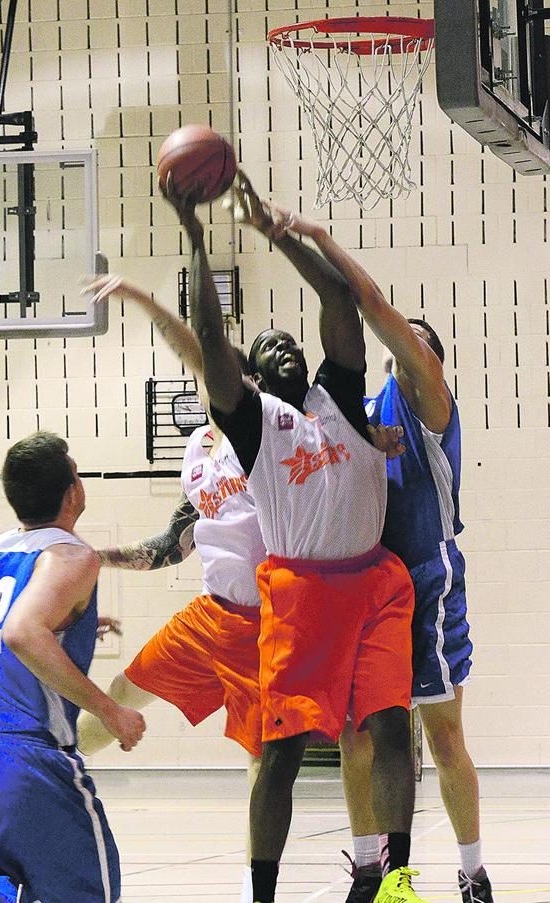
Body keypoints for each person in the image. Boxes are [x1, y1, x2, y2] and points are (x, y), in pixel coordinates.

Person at [169, 172, 426, 903]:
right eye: (268, 345)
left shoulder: (338, 396)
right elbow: (210, 338)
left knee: (389, 726)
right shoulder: (251, 423)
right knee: (278, 754)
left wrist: (276, 235)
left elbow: (338, 299)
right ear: (251, 374)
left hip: (374, 580)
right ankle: (263, 893)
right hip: (301, 590)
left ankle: (398, 877)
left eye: (291, 342)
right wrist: (195, 236)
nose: (283, 346)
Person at [311, 236, 492, 903]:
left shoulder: (435, 407)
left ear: (431, 361)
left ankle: (474, 872)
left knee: (444, 738)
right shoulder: (366, 412)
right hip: (370, 588)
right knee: (357, 732)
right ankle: (371, 868)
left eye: (415, 339)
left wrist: (321, 245)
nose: (400, 341)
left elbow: (376, 307)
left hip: (431, 583)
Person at [77, 275, 267, 903]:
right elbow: (170, 547)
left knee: (260, 759)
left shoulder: (260, 430)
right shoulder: (199, 447)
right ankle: (52, 774)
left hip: (269, 620)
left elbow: (198, 344)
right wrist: (96, 556)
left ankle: (253, 885)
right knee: (118, 698)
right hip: (211, 613)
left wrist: (145, 300)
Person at [0, 431, 146, 902]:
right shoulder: (71, 555)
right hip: (21, 762)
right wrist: (110, 710)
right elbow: (21, 632)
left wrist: (75, 624)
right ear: (73, 492)